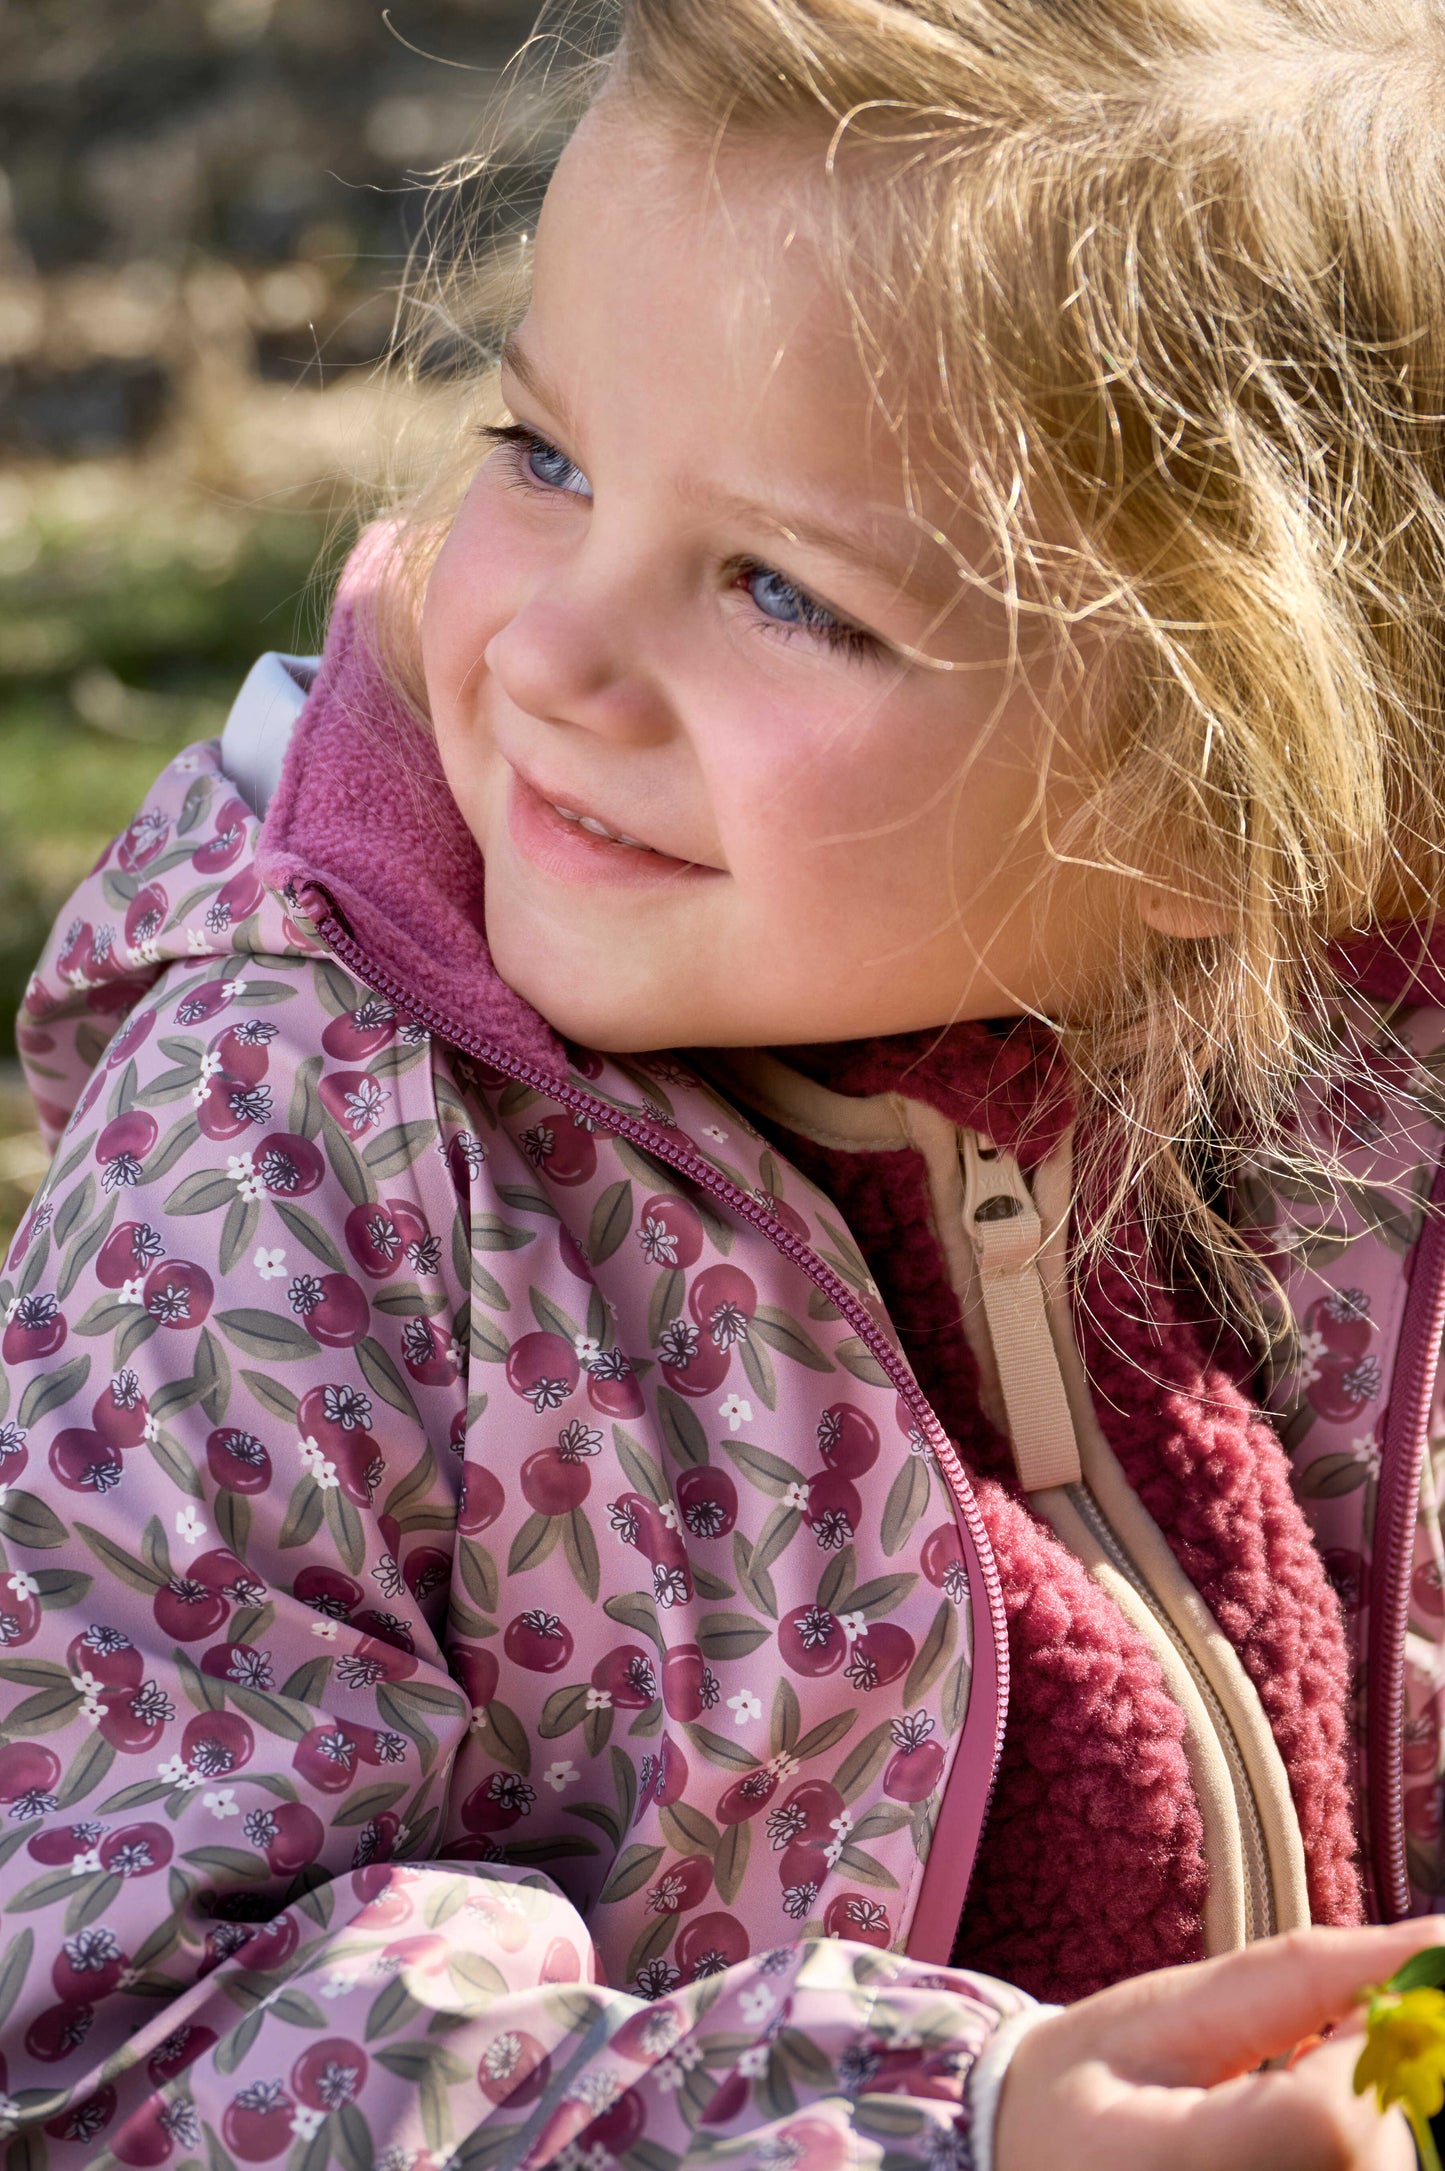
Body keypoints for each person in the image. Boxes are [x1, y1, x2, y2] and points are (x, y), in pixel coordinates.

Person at [6, 0, 1445, 2162]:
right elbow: (111, 2030)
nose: (558, 653)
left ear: (1221, 808)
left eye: (780, 589)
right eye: (546, 457)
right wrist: (947, 2130)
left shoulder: (1355, 1094)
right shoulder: (289, 1156)